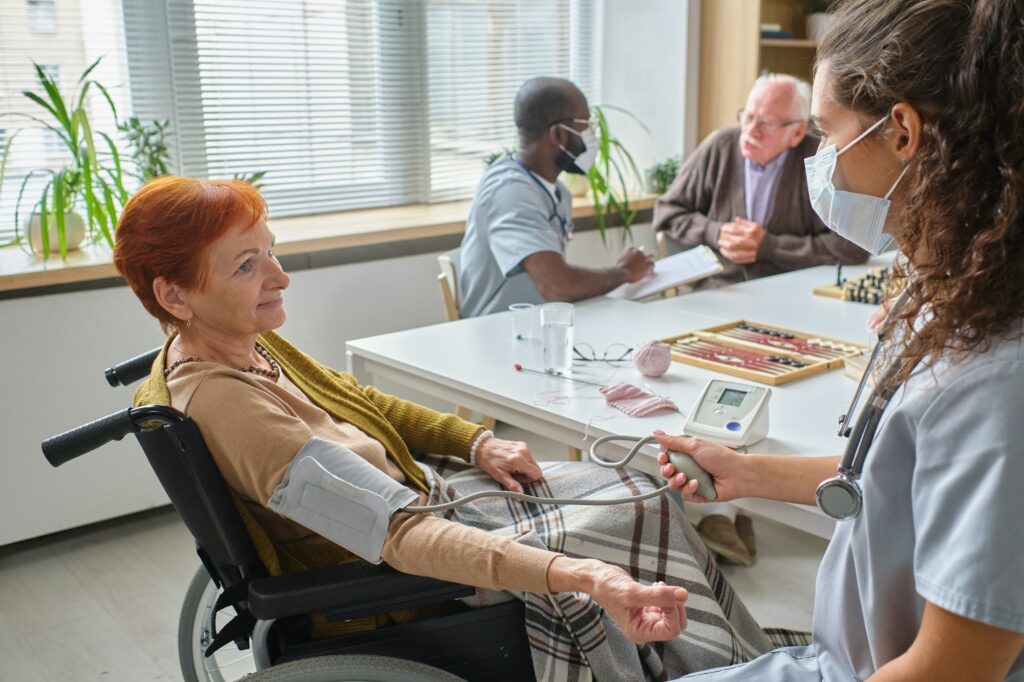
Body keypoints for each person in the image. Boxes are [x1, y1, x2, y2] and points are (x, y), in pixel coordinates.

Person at [113, 176, 783, 680]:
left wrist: (475, 440)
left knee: (640, 492)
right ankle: (711, 666)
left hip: (432, 493)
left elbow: (362, 401)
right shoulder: (231, 408)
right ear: (174, 296)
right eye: (246, 265)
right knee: (619, 530)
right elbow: (399, 535)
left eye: (271, 253)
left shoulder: (245, 341)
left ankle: (731, 654)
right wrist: (579, 576)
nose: (280, 278)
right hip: (407, 565)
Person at [660, 1, 1024, 678]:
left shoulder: (997, 377)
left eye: (826, 135)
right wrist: (754, 474)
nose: (820, 160)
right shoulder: (951, 297)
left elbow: (953, 669)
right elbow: (893, 474)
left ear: (905, 133)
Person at [458, 77, 653, 317]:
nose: (591, 136)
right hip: (497, 334)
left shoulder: (556, 192)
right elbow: (556, 285)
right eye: (585, 125)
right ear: (559, 134)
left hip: (537, 325)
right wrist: (624, 273)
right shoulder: (511, 192)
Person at [653, 73, 868, 290]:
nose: (751, 130)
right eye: (748, 116)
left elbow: (853, 247)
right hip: (720, 290)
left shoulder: (820, 161)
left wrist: (770, 246)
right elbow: (666, 213)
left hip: (792, 292)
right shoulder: (719, 147)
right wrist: (716, 232)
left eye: (766, 122)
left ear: (797, 132)